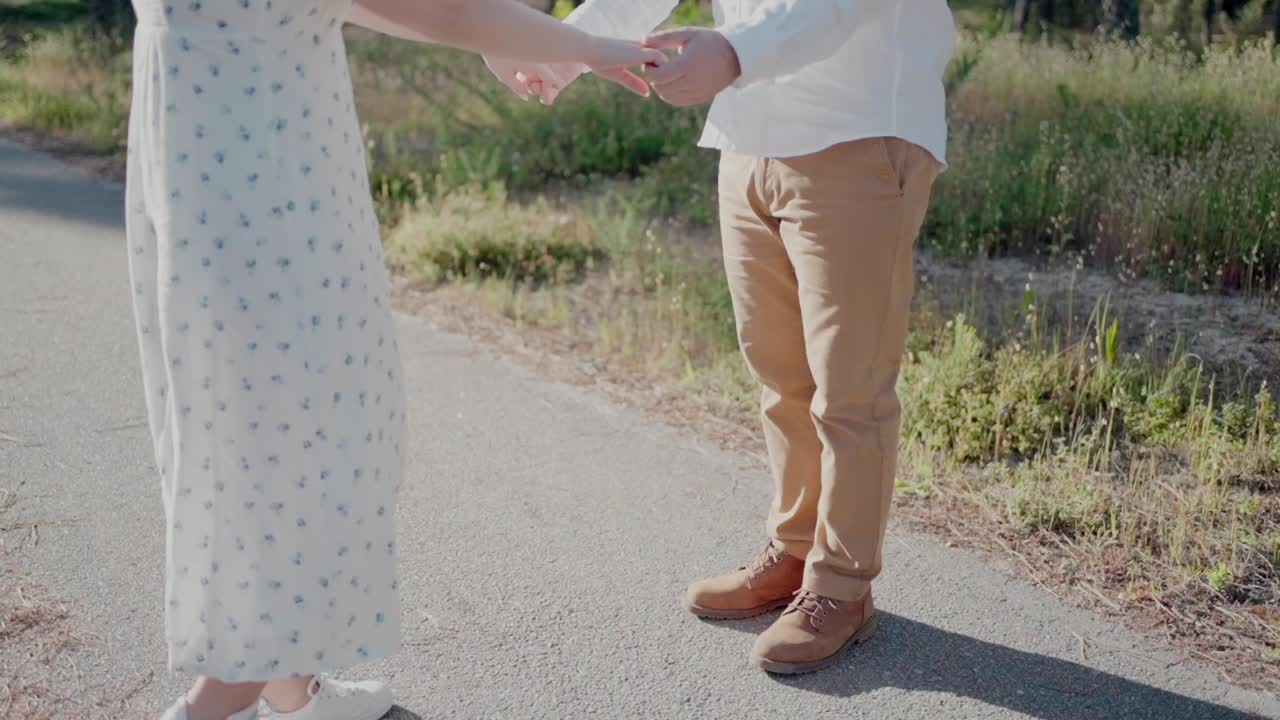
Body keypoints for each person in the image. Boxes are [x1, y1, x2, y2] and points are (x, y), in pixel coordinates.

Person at [124, 1, 664, 718]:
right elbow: (446, 8)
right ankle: (221, 697)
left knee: (247, 420)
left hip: (206, 162)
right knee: (300, 430)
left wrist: (512, 42)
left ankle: (289, 686)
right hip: (270, 181)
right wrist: (584, 43)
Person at [487, 0, 955, 674]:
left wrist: (735, 52)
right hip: (746, 135)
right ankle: (795, 550)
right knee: (778, 371)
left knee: (849, 385)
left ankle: (842, 587)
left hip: (858, 132)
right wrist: (566, 45)